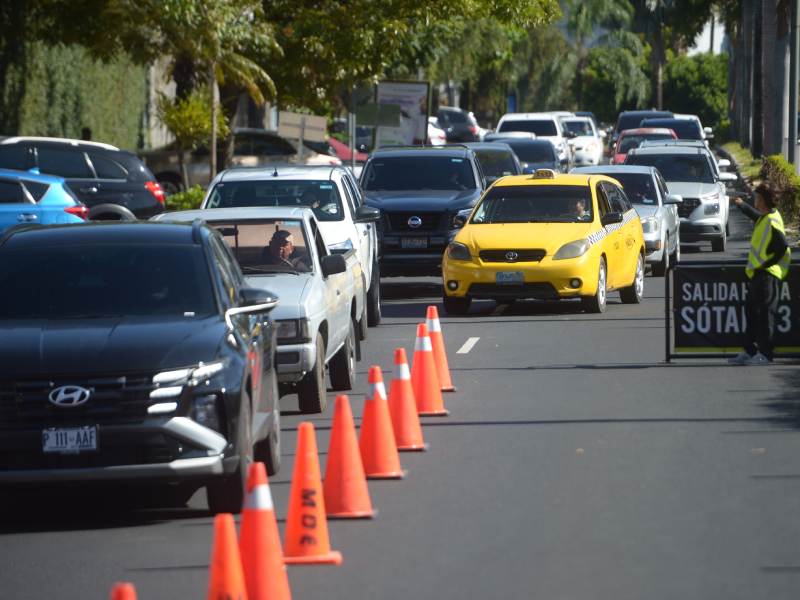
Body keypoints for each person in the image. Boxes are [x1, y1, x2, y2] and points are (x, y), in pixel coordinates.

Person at [729, 183, 791, 365]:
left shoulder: (771, 221)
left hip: (767, 275)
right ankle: (749, 352)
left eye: (757, 197)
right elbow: (756, 217)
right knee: (752, 314)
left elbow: (783, 246)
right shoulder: (765, 218)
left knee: (764, 316)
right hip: (758, 275)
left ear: (763, 200)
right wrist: (742, 206)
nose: (755, 200)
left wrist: (766, 264)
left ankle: (765, 354)